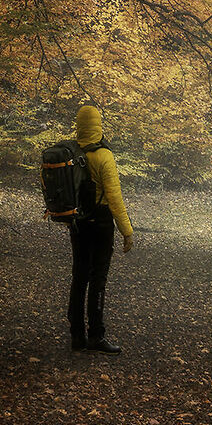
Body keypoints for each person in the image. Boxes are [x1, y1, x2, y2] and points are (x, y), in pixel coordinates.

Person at [66, 104, 134, 354]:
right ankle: (96, 335)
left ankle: (76, 336)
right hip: (102, 222)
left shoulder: (72, 152)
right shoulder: (104, 156)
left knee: (79, 275)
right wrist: (127, 230)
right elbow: (114, 198)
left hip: (78, 222)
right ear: (98, 125)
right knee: (98, 279)